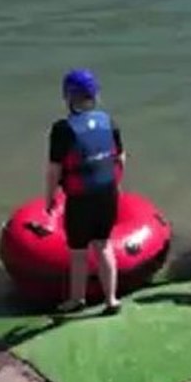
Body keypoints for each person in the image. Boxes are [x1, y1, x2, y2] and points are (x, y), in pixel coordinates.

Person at [45, 69, 125, 314]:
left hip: (80, 199)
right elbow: (120, 158)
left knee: (78, 251)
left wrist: (49, 198)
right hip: (107, 193)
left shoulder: (62, 129)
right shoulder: (108, 121)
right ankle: (111, 299)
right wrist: (117, 186)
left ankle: (76, 299)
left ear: (67, 96)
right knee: (103, 244)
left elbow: (54, 169)